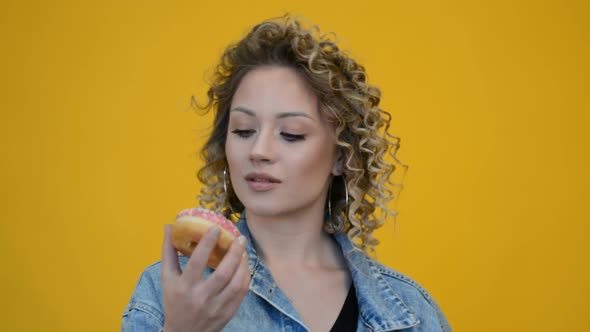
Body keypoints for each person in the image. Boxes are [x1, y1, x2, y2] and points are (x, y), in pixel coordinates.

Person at [122, 14, 451, 332]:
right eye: (243, 130)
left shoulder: (411, 312)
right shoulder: (169, 292)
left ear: (341, 156)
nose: (259, 151)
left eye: (291, 133)